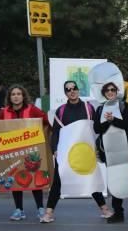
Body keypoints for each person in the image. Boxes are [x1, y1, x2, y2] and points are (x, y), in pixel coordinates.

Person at [40, 80, 111, 223]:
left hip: (85, 151)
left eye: (74, 88)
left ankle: (104, 209)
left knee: (91, 178)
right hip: (66, 152)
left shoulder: (89, 108)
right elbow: (55, 133)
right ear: (65, 93)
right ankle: (49, 213)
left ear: (78, 90)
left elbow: (96, 128)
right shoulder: (61, 111)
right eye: (68, 89)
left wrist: (108, 121)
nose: (71, 91)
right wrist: (54, 149)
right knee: (58, 181)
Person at [0, 85, 49, 221]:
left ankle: (40, 209)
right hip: (12, 150)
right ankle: (19, 209)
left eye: (19, 93)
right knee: (14, 180)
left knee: (35, 178)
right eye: (13, 94)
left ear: (23, 96)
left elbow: (46, 120)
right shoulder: (4, 112)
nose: (16, 96)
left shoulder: (32, 109)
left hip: (30, 149)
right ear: (10, 97)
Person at [94, 82, 128, 224]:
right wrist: (108, 121)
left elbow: (127, 125)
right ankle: (118, 213)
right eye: (107, 90)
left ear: (117, 91)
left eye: (113, 90)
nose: (110, 92)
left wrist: (113, 120)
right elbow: (97, 128)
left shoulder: (124, 106)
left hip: (125, 149)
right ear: (104, 93)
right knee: (115, 180)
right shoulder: (100, 109)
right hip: (109, 152)